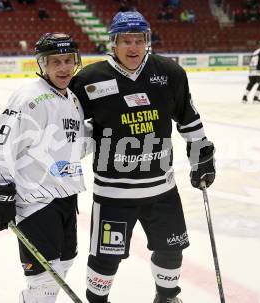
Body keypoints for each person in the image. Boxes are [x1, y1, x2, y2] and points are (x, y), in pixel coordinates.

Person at [70, 11, 216, 303]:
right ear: (113, 42)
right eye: (126, 41)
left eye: (139, 40)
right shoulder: (89, 79)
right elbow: (70, 130)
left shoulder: (169, 73)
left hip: (162, 190)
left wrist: (202, 157)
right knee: (105, 258)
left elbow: (188, 119)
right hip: (113, 194)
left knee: (171, 248)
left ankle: (166, 297)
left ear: (147, 41)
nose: (133, 47)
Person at [0, 32, 90, 303]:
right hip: (37, 201)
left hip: (65, 196)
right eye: (56, 62)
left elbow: (73, 145)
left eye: (68, 60)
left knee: (63, 266)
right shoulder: (30, 97)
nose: (64, 68)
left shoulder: (71, 98)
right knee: (44, 284)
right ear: (43, 65)